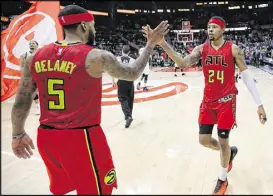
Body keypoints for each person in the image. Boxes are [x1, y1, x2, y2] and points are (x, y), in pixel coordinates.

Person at [10, 4, 169, 195]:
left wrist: (17, 134)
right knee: (98, 191)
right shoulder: (96, 56)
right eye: (93, 25)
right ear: (84, 26)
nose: (94, 29)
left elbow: (22, 99)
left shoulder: (34, 57)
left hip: (47, 137)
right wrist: (150, 44)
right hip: (81, 138)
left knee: (63, 188)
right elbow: (133, 72)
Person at [143, 16, 267, 195]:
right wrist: (162, 43)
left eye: (215, 27)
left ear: (223, 30)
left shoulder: (233, 49)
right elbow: (182, 63)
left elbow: (247, 76)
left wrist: (259, 104)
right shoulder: (202, 49)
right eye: (209, 27)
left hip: (226, 102)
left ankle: (222, 179)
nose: (210, 30)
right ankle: (228, 154)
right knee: (204, 141)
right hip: (208, 102)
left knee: (224, 142)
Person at [114, 45, 136, 128]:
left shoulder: (117, 59)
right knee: (130, 99)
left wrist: (113, 80)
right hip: (130, 81)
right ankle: (129, 115)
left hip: (121, 80)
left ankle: (128, 116)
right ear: (129, 52)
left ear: (122, 51)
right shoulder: (133, 60)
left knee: (123, 99)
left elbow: (113, 70)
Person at [20, 40, 40, 115]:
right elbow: (21, 66)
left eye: (33, 43)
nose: (31, 45)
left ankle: (43, 107)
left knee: (43, 91)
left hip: (40, 74)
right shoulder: (24, 55)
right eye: (30, 44)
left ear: (37, 45)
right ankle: (38, 107)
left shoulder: (40, 53)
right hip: (30, 76)